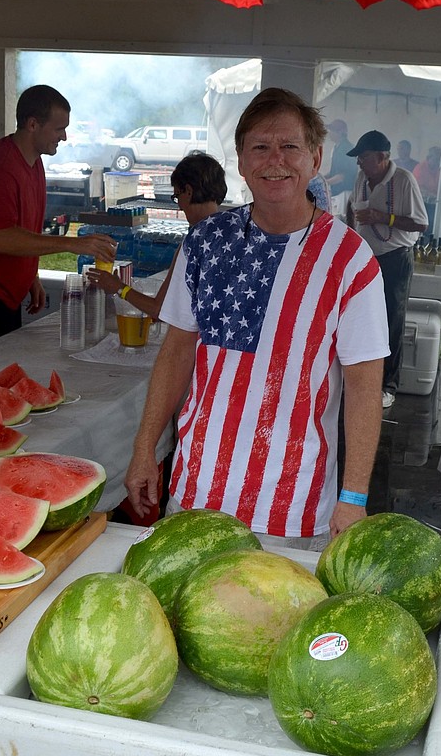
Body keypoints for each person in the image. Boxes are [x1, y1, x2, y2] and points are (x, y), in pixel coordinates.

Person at [124, 87, 389, 547]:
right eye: (260, 148)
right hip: (195, 493)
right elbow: (176, 351)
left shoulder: (350, 259)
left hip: (291, 509)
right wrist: (145, 447)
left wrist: (354, 495)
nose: (275, 161)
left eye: (290, 146)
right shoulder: (206, 241)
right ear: (242, 162)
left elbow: (365, 384)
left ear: (315, 158)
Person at [0, 84, 117, 350]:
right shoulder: (0, 170)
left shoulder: (33, 162)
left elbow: (22, 228)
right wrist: (73, 244)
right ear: (33, 124)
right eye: (59, 129)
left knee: (2, 375)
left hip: (1, 292)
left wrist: (30, 275)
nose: (65, 137)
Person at [87, 151, 227, 318]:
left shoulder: (194, 242)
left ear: (188, 191)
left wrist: (118, 288)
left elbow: (159, 310)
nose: (180, 207)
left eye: (177, 196)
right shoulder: (235, 233)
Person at [347, 129, 428, 409]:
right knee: (360, 317)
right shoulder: (362, 179)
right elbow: (352, 209)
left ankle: (388, 385)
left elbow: (420, 223)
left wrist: (383, 217)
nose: (359, 162)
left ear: (382, 157)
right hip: (365, 258)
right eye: (358, 157)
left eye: (364, 157)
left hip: (395, 257)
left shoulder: (404, 181)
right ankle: (360, 378)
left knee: (392, 319)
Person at [323, 117, 357, 216]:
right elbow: (334, 171)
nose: (329, 133)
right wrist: (321, 178)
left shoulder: (346, 148)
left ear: (340, 132)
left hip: (344, 193)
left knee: (342, 221)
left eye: (332, 130)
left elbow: (342, 175)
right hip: (337, 192)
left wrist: (324, 183)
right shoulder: (337, 147)